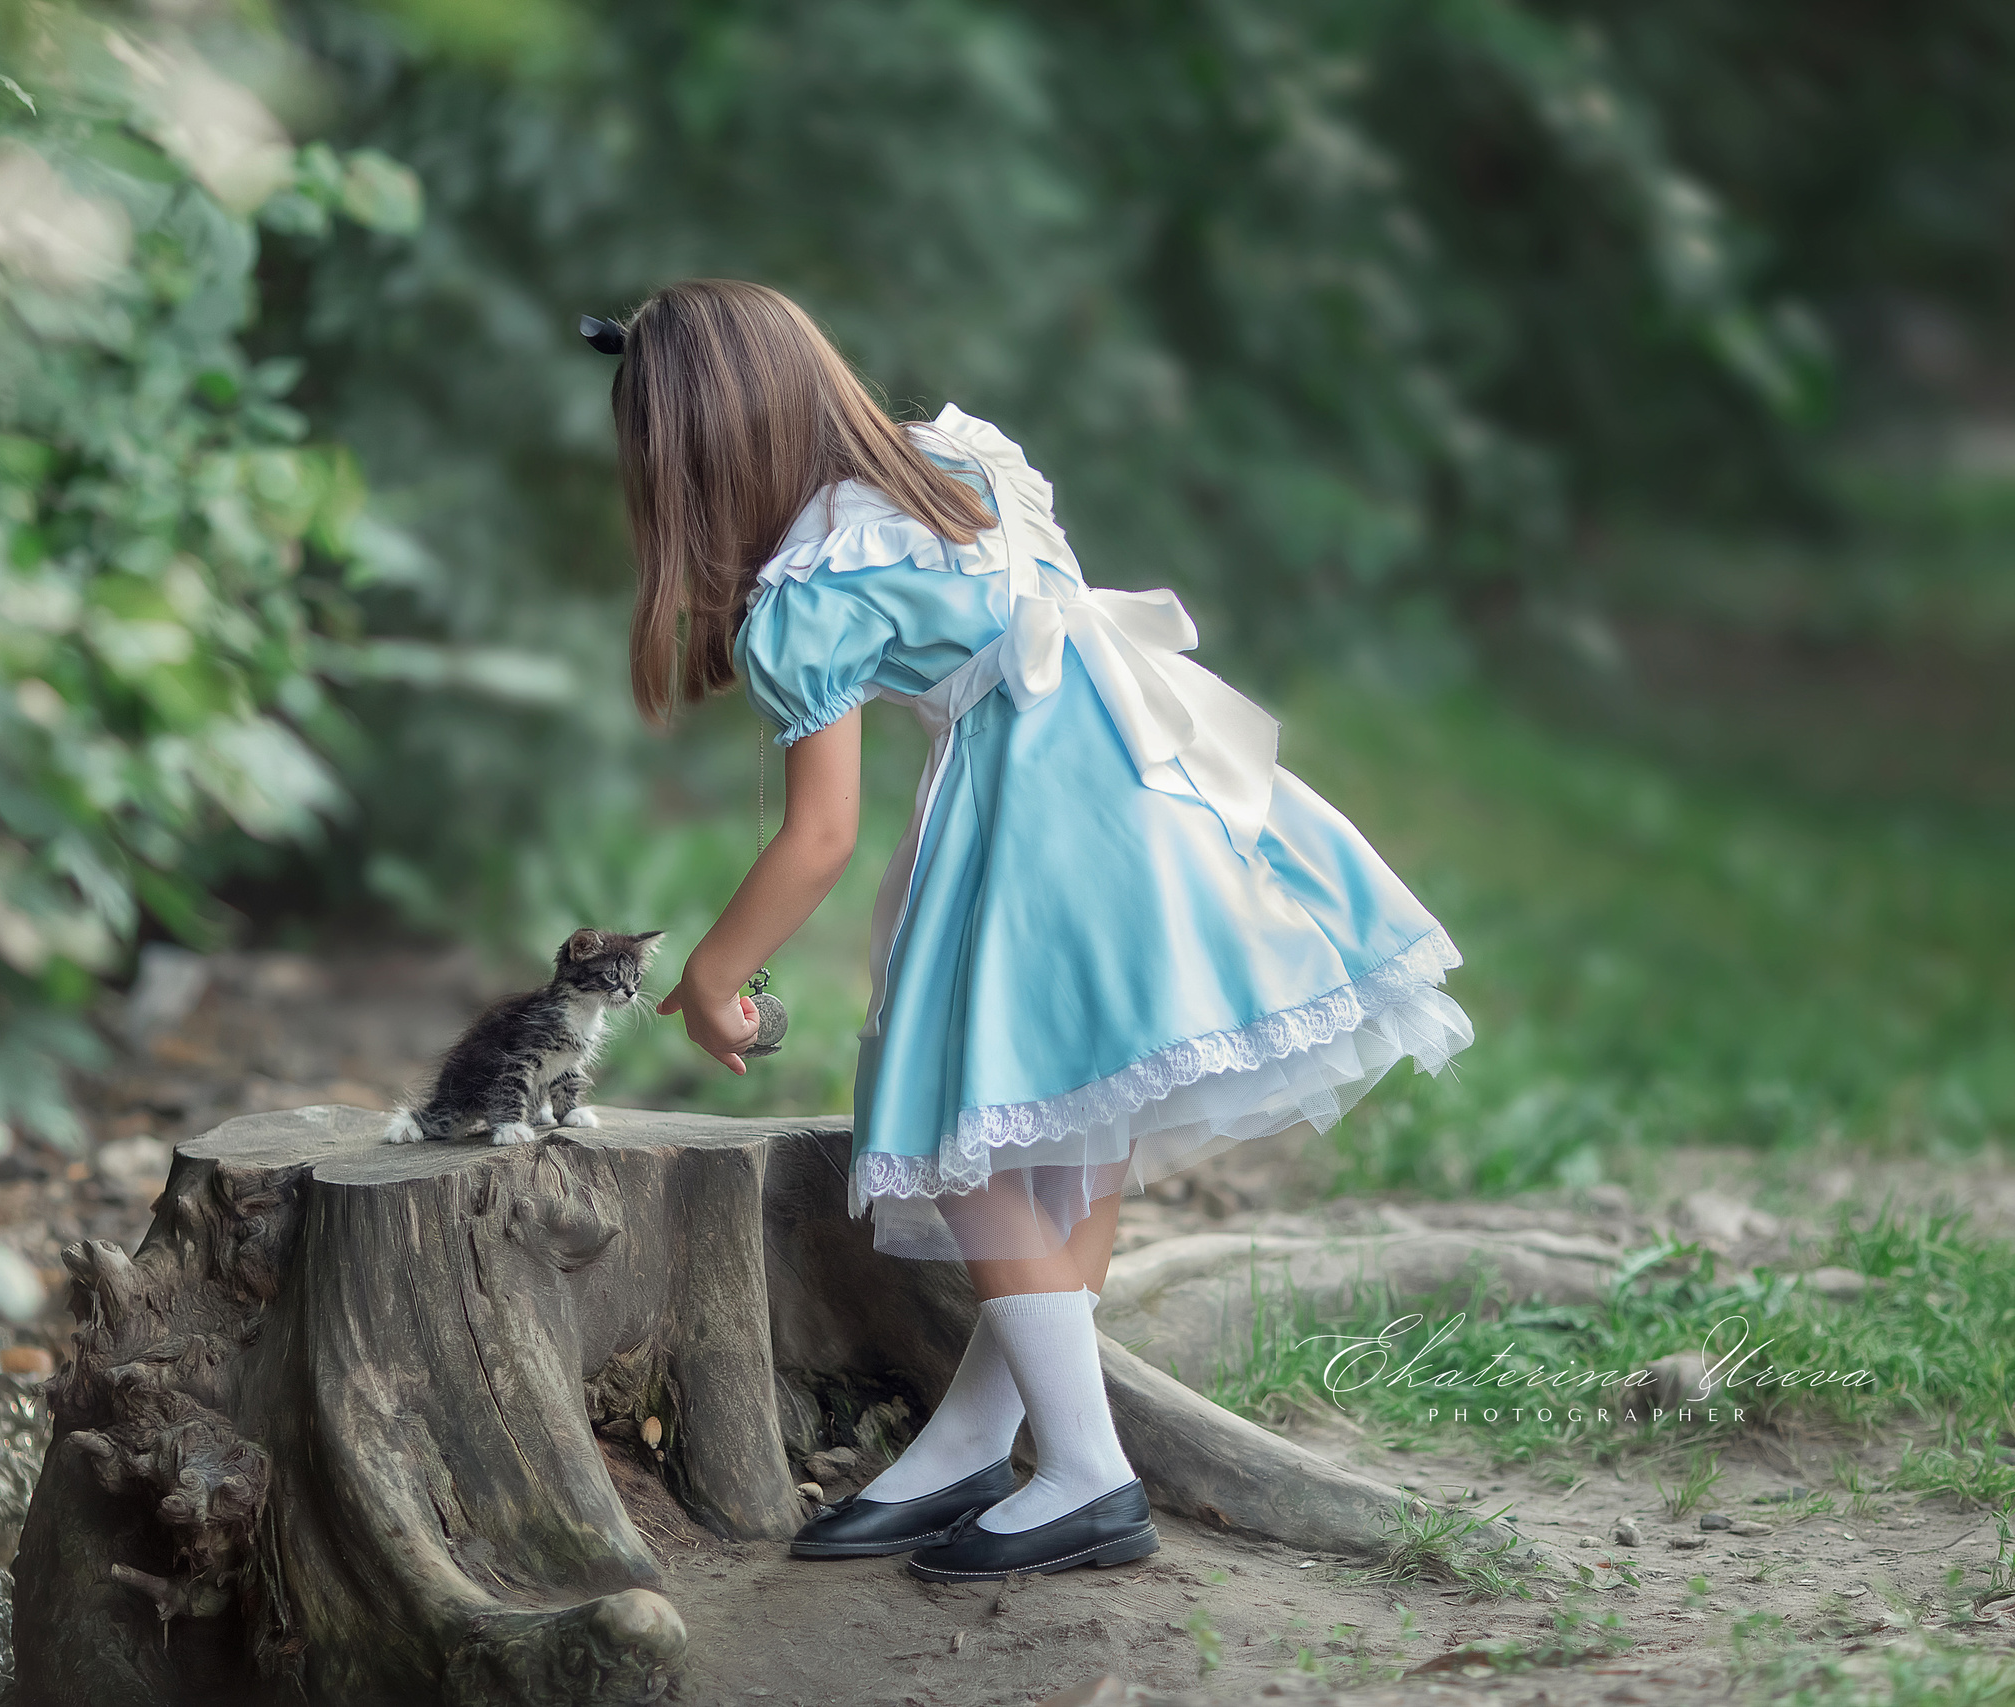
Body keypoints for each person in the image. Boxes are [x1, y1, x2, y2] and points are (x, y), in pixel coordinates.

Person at [585, 281, 1472, 1581]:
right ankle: (979, 1441)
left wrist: (717, 974)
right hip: (1143, 773)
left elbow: (819, 834)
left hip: (1038, 809)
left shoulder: (808, 588)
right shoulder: (961, 459)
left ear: (691, 456)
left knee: (980, 1138)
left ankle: (1085, 1472)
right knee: (1070, 1115)